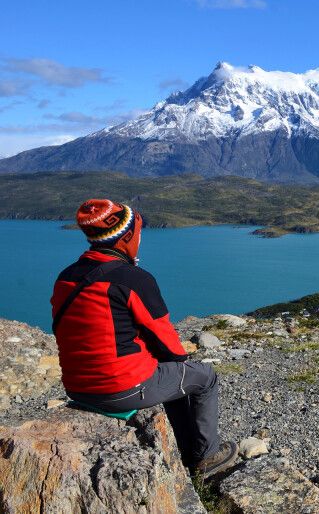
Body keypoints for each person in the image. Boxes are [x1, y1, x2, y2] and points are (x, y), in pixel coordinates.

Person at [50, 199, 238, 478]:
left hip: (77, 388)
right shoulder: (132, 278)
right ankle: (206, 456)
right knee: (204, 376)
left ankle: (187, 451)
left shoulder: (66, 277)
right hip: (120, 389)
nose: (139, 239)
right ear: (126, 237)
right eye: (138, 233)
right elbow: (169, 345)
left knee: (174, 375)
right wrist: (178, 361)